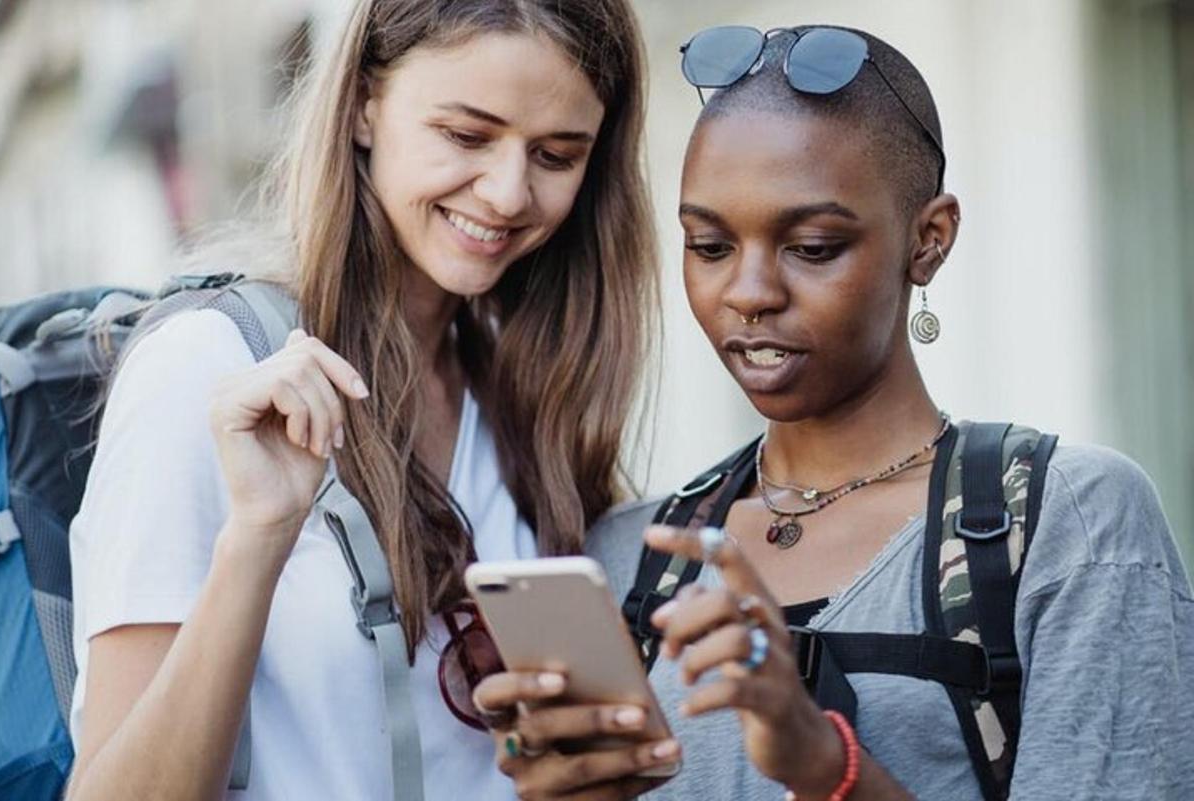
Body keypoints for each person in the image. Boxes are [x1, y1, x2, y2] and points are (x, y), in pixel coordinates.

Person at [474, 24, 1194, 801]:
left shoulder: (1063, 525)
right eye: (709, 246)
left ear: (929, 240)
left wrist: (824, 762)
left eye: (812, 247)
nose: (749, 292)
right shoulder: (629, 561)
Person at [63, 1, 657, 799]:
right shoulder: (207, 366)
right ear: (366, 104)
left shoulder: (521, 388)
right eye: (466, 136)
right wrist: (258, 539)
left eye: (556, 154)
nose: (510, 193)